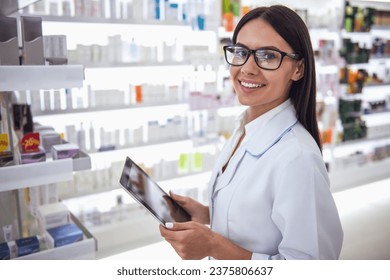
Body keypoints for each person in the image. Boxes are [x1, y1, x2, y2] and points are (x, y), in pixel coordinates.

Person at [159, 5, 343, 260]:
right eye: (241, 52)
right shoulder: (243, 128)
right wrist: (208, 213)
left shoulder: (298, 158)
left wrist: (214, 246)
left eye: (268, 56)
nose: (247, 69)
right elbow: (262, 216)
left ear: (298, 69)